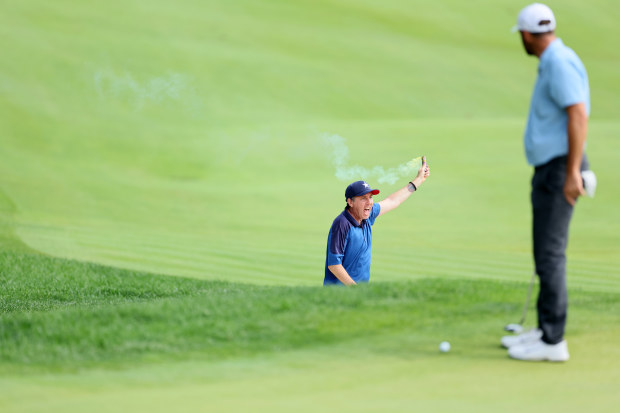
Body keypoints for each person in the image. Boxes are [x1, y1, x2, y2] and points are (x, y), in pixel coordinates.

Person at [502, 3, 595, 362]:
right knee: (545, 253)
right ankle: (544, 329)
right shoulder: (556, 58)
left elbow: (578, 114)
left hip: (558, 170)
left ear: (527, 35)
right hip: (553, 167)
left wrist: (574, 171)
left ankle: (553, 341)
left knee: (550, 254)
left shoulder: (557, 61)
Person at [323, 157, 430, 286]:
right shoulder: (342, 224)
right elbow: (334, 265)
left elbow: (393, 201)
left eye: (370, 197)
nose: (369, 202)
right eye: (363, 198)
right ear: (350, 202)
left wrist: (418, 181)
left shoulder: (366, 216)